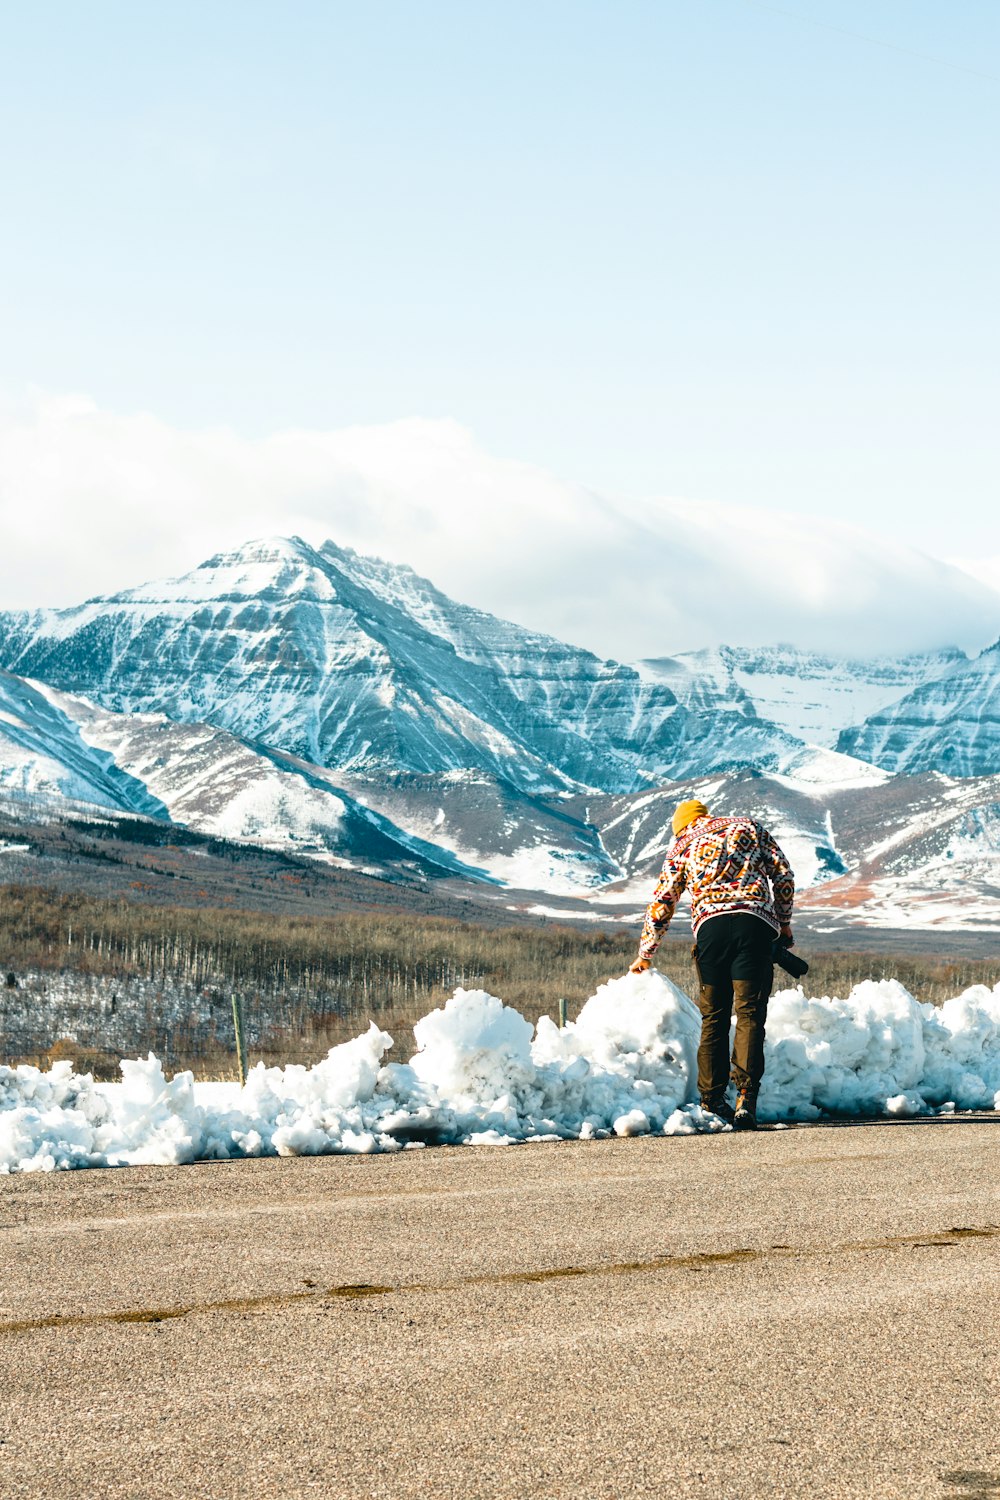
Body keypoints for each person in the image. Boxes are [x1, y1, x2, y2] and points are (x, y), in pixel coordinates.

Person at [629, 798, 794, 1131]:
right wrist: (784, 920)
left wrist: (646, 953)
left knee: (714, 1017)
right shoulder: (747, 825)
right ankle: (746, 1099)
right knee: (749, 1013)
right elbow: (784, 874)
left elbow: (663, 901)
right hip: (754, 925)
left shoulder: (681, 847)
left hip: (711, 932)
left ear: (681, 825)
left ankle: (712, 1100)